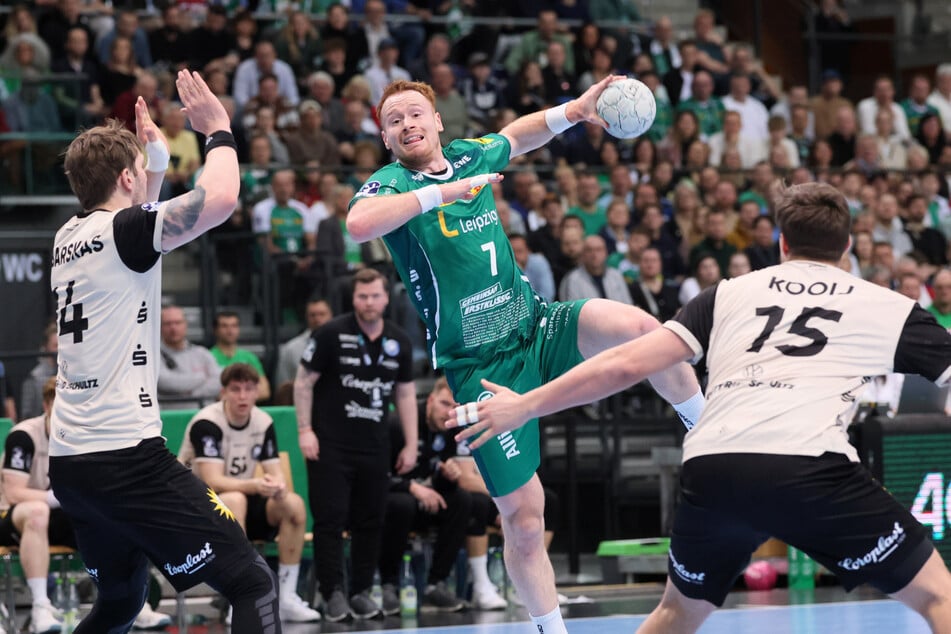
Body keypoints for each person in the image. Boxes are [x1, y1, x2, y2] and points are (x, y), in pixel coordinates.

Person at [452, 182, 951, 634]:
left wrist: (525, 406)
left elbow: (625, 363)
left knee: (678, 614)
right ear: (847, 248)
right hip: (811, 466)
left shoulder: (729, 293)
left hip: (715, 466)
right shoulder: (884, 304)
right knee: (939, 596)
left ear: (781, 243)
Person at [346, 77, 702, 634]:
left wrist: (577, 110)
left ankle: (704, 431)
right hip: (479, 369)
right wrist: (442, 195)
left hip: (535, 323)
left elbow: (518, 135)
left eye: (416, 113)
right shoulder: (389, 184)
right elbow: (358, 224)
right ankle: (549, 629)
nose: (407, 124)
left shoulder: (468, 155)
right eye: (394, 120)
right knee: (525, 518)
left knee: (643, 328)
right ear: (386, 136)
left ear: (438, 121)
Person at [48, 70, 282, 633]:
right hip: (126, 457)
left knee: (121, 604)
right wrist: (219, 131)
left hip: (73, 464)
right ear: (126, 178)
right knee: (252, 582)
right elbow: (220, 199)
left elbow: (140, 220)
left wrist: (151, 157)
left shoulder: (68, 237)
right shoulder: (125, 233)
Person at [293, 268, 418, 622]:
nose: (369, 302)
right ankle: (332, 591)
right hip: (330, 445)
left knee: (371, 521)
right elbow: (303, 383)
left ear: (386, 297)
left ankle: (361, 590)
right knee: (330, 520)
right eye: (362, 296)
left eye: (375, 295)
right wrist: (305, 430)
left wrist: (411, 443)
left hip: (375, 446)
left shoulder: (398, 340)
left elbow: (406, 394)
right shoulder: (331, 333)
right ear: (353, 299)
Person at [178, 364, 321, 624]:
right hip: (197, 509)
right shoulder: (207, 423)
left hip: (242, 502)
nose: (242, 396)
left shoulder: (263, 421)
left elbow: (275, 472)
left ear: (257, 392)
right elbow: (212, 482)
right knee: (233, 501)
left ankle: (287, 596)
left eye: (248, 389)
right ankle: (240, 596)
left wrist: (277, 487)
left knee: (293, 504)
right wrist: (257, 485)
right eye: (235, 390)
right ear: (223, 392)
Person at [158, 305, 221, 410]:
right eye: (168, 324)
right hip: (171, 417)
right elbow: (164, 381)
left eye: (178, 322)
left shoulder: (202, 353)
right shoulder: (153, 356)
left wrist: (190, 394)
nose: (173, 328)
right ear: (160, 327)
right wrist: (201, 377)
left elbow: (217, 381)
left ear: (185, 324)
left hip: (203, 415)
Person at [209, 311, 271, 402]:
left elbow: (265, 391)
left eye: (234, 326)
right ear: (215, 330)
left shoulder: (250, 357)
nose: (230, 331)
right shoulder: (207, 356)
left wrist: (238, 398)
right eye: (224, 326)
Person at [275, 299, 333, 388]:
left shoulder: (344, 344)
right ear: (306, 317)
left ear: (331, 315)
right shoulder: (291, 349)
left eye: (322, 314)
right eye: (312, 315)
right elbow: (283, 388)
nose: (317, 319)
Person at [19, 324, 57, 420]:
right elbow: (26, 414)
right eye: (55, 345)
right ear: (45, 347)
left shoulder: (70, 374)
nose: (59, 349)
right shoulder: (33, 378)